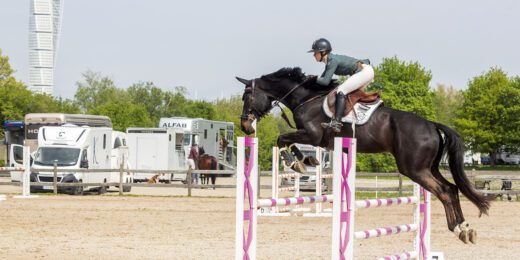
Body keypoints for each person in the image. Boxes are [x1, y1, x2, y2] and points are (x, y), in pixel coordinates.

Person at [309, 38, 374, 132]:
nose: (313, 55)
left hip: (364, 72)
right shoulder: (329, 62)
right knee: (347, 93)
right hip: (365, 71)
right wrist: (312, 82)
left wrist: (312, 79)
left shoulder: (332, 61)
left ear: (322, 52)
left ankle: (336, 123)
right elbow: (322, 81)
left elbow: (325, 82)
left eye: (315, 52)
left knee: (341, 91)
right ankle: (348, 119)